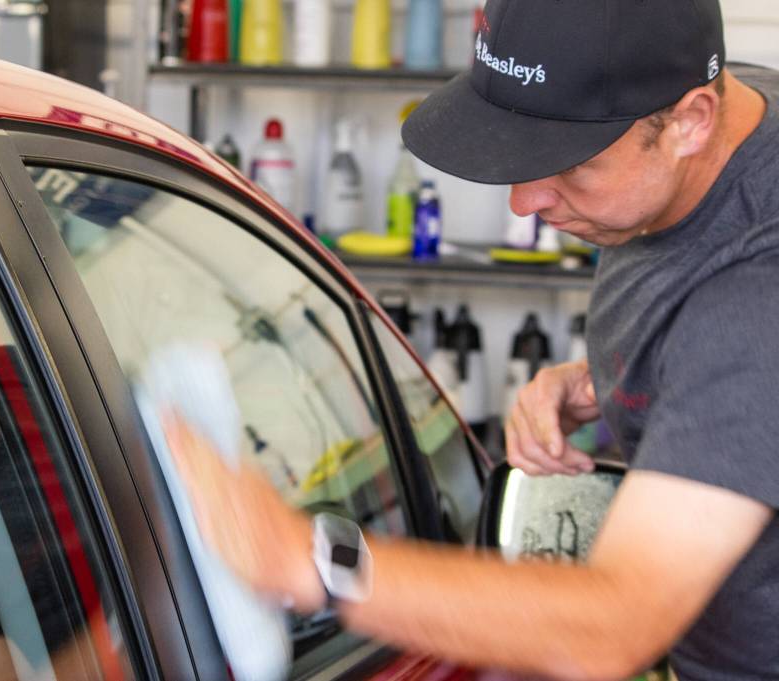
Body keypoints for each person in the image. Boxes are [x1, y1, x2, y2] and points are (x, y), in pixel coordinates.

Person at [160, 1, 779, 679]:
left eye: (569, 163)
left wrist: (307, 560)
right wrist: (630, 374)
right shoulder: (732, 106)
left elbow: (611, 627)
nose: (524, 201)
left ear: (692, 122)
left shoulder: (755, 297)